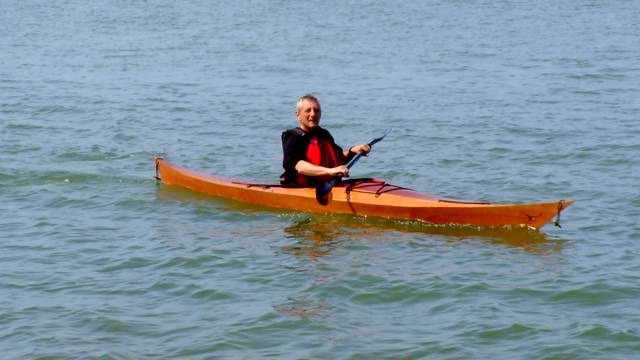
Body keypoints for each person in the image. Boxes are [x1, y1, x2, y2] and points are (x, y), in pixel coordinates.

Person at [280, 94, 371, 186]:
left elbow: (339, 158)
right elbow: (300, 167)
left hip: (327, 186)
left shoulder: (324, 134)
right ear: (298, 115)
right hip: (302, 189)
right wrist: (329, 171)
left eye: (316, 110)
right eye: (308, 110)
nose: (313, 114)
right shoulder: (294, 138)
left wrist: (353, 151)